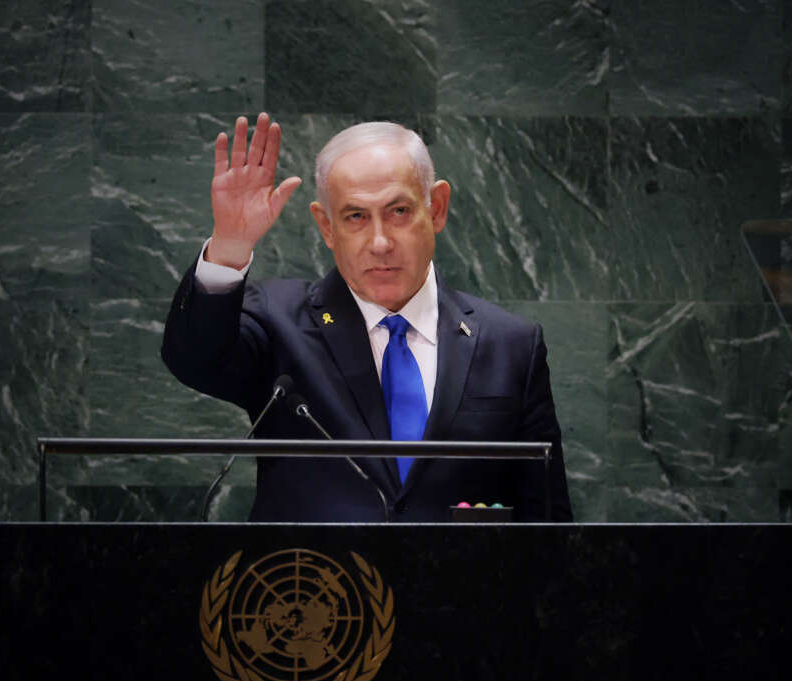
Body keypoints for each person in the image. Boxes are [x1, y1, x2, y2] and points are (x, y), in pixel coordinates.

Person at [162, 113, 572, 522]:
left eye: (398, 211)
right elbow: (196, 359)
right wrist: (230, 246)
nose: (380, 242)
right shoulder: (278, 321)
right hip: (317, 583)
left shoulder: (511, 344)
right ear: (326, 226)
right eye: (355, 216)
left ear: (437, 208)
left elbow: (549, 522)